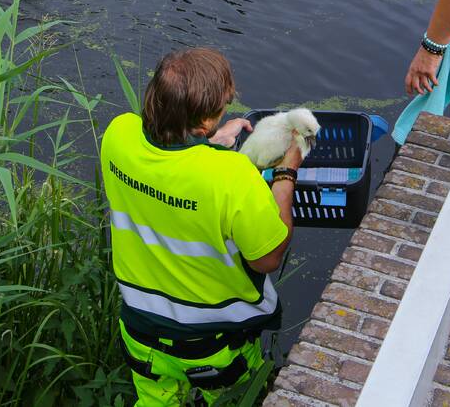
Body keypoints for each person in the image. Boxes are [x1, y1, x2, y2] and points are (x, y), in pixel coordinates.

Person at [100, 48, 301, 406]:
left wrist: (207, 144)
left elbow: (167, 173)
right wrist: (286, 174)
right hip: (215, 346)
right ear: (206, 121)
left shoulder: (117, 136)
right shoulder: (231, 176)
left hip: (140, 336)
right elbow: (268, 258)